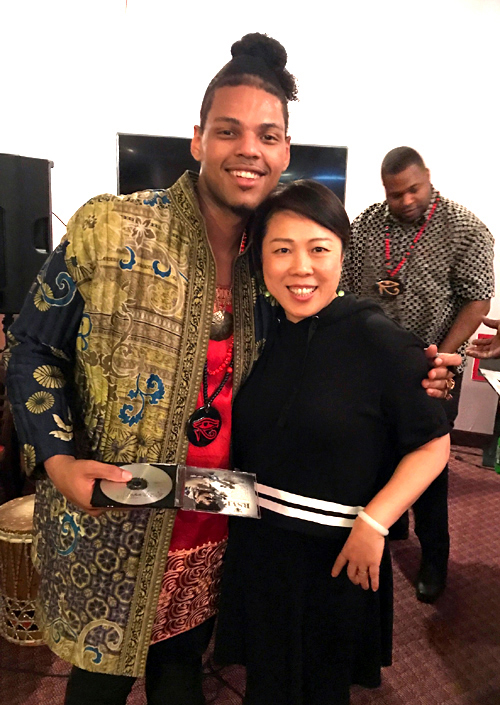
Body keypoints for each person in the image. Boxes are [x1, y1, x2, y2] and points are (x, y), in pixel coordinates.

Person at [3, 38, 456, 703]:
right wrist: (59, 459)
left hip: (220, 526)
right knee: (97, 686)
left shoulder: (270, 270)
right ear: (198, 139)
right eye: (228, 130)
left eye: (267, 135)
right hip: (114, 522)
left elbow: (335, 361)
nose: (249, 149)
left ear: (285, 152)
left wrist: (420, 372)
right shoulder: (109, 228)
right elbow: (31, 349)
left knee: (181, 677)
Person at [214, 180, 451, 705]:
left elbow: (433, 445)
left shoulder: (378, 339)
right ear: (260, 257)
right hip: (260, 548)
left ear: (344, 255)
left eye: (318, 249)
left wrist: (376, 523)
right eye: (282, 250)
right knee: (266, 686)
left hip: (338, 553)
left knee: (322, 689)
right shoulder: (259, 332)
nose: (301, 268)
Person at [340, 147, 495, 603]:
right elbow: (347, 287)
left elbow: (478, 301)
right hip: (375, 365)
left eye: (413, 189)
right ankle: (392, 524)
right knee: (377, 450)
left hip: (435, 366)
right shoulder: (367, 225)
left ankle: (435, 558)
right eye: (395, 194)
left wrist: (442, 356)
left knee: (429, 465)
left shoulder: (465, 229)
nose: (406, 201)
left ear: (428, 176)